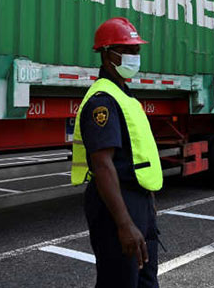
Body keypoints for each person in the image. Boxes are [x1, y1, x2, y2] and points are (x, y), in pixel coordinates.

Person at [71, 17, 163, 288]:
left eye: (137, 50)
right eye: (128, 51)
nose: (135, 56)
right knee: (120, 282)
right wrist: (124, 224)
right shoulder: (103, 101)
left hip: (137, 201)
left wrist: (148, 202)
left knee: (146, 281)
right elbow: (102, 164)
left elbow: (135, 155)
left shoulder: (124, 95)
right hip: (116, 205)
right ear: (107, 53)